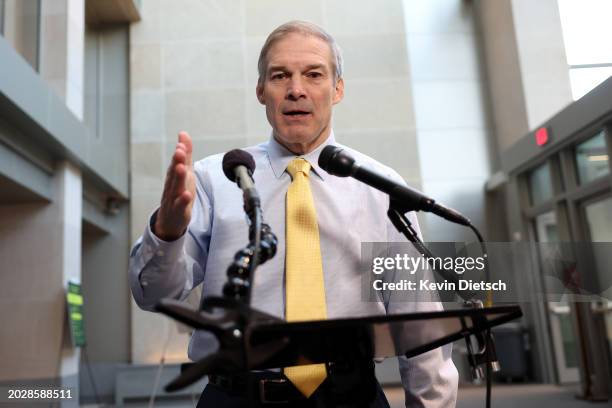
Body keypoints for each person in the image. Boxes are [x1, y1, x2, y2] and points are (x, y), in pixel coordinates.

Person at [129, 21, 458, 407]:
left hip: (351, 396)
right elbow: (151, 295)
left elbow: (418, 320)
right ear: (260, 91)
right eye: (280, 75)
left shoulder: (380, 187)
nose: (296, 89)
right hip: (236, 396)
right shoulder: (214, 179)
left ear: (338, 89)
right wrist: (166, 234)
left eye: (314, 74)